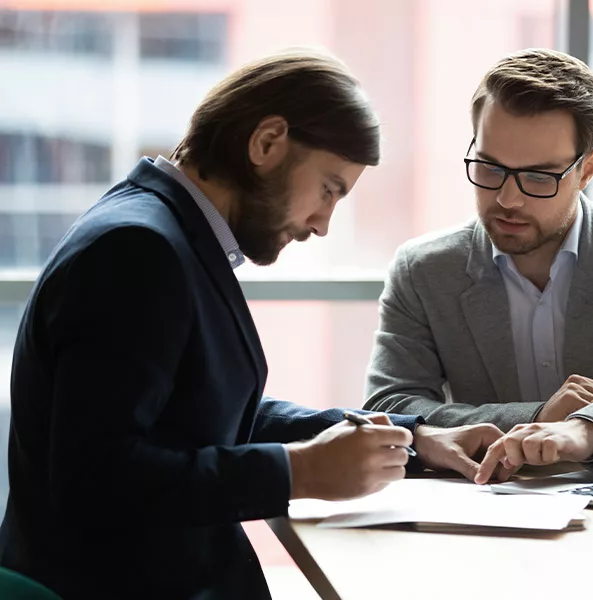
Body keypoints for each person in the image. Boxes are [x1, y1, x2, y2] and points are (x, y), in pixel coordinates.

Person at [0, 49, 503, 600]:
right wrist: (297, 473)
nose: (322, 224)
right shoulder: (138, 250)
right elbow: (95, 480)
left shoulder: (164, 231)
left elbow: (198, 411)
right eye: (329, 190)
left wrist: (409, 438)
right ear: (267, 142)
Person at [363, 48, 593, 485]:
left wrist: (587, 429)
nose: (507, 199)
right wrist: (535, 417)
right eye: (489, 167)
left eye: (539, 177)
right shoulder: (424, 271)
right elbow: (391, 406)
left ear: (587, 170)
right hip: (486, 510)